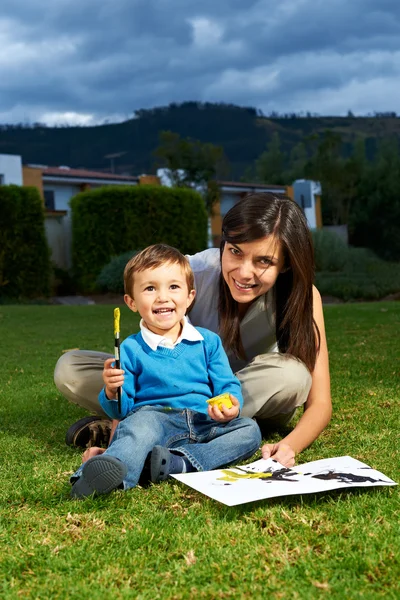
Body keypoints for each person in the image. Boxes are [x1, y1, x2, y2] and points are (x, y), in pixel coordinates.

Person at [56, 192, 332, 468]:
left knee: (292, 375)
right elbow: (140, 361)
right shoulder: (189, 273)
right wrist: (117, 438)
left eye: (264, 261)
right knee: (70, 368)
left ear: (285, 264)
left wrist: (288, 446)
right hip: (178, 387)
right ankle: (157, 426)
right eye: (235, 251)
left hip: (249, 394)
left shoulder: (304, 297)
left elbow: (320, 403)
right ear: (223, 243)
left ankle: (157, 427)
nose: (244, 273)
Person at [69, 244, 261, 498]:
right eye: (150, 288)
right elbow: (122, 411)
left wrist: (230, 406)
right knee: (138, 427)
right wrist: (112, 390)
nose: (162, 297)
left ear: (190, 296)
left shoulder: (208, 342)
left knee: (249, 429)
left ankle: (179, 463)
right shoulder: (131, 348)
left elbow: (226, 384)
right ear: (131, 302)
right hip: (156, 421)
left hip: (204, 422)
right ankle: (95, 477)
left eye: (173, 287)